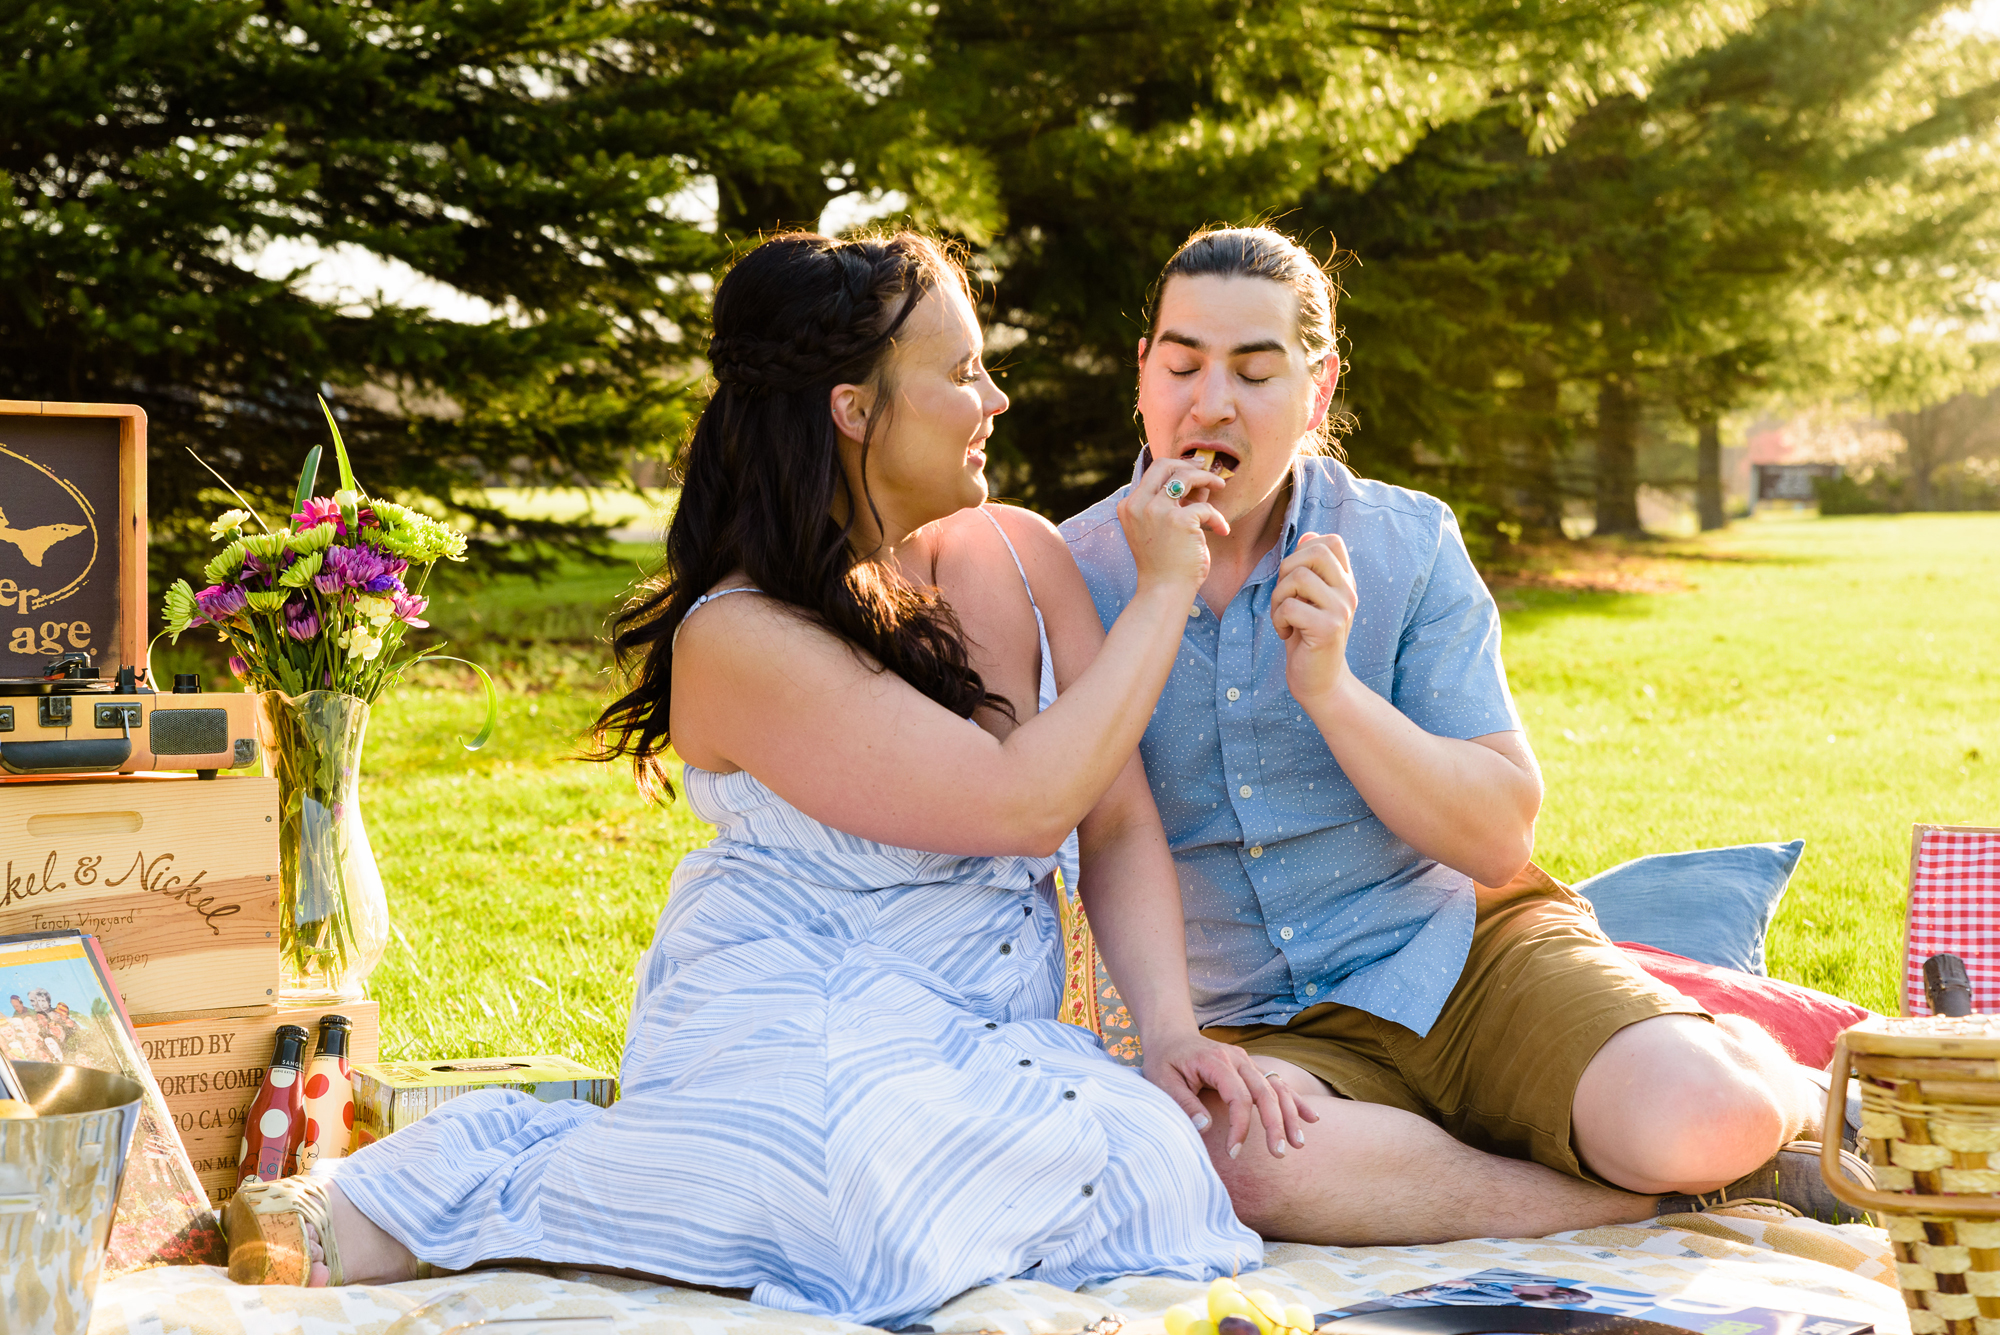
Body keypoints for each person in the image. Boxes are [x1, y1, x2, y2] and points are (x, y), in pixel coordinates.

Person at [221, 232, 1294, 1327]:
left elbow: (1110, 817)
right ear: (853, 409)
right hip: (800, 1003)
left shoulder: (1018, 555)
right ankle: (403, 1201)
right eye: (963, 371)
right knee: (863, 1184)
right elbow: (1025, 805)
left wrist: (1166, 1029)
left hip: (972, 1028)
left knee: (1155, 1165)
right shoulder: (736, 637)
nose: (996, 399)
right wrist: (1164, 592)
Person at [1059, 225, 1866, 1245]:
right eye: (1181, 364)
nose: (1208, 402)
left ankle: (1775, 1087)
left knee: (1702, 1114)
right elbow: (1099, 833)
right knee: (1233, 1167)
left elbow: (1495, 839)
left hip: (1458, 957)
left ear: (1317, 388)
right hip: (1254, 1021)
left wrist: (1331, 690)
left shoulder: (1403, 540)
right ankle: (1642, 1202)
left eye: (1254, 373)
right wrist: (1171, 1034)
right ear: (1142, 373)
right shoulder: (1073, 575)